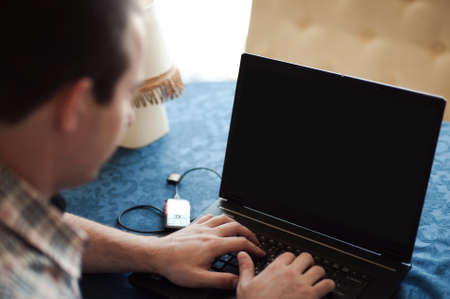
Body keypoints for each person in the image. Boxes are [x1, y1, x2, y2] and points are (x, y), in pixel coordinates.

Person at [0, 1, 335, 298]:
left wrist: (155, 251)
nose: (131, 114)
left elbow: (32, 222)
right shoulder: (26, 285)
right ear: (74, 108)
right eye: (129, 93)